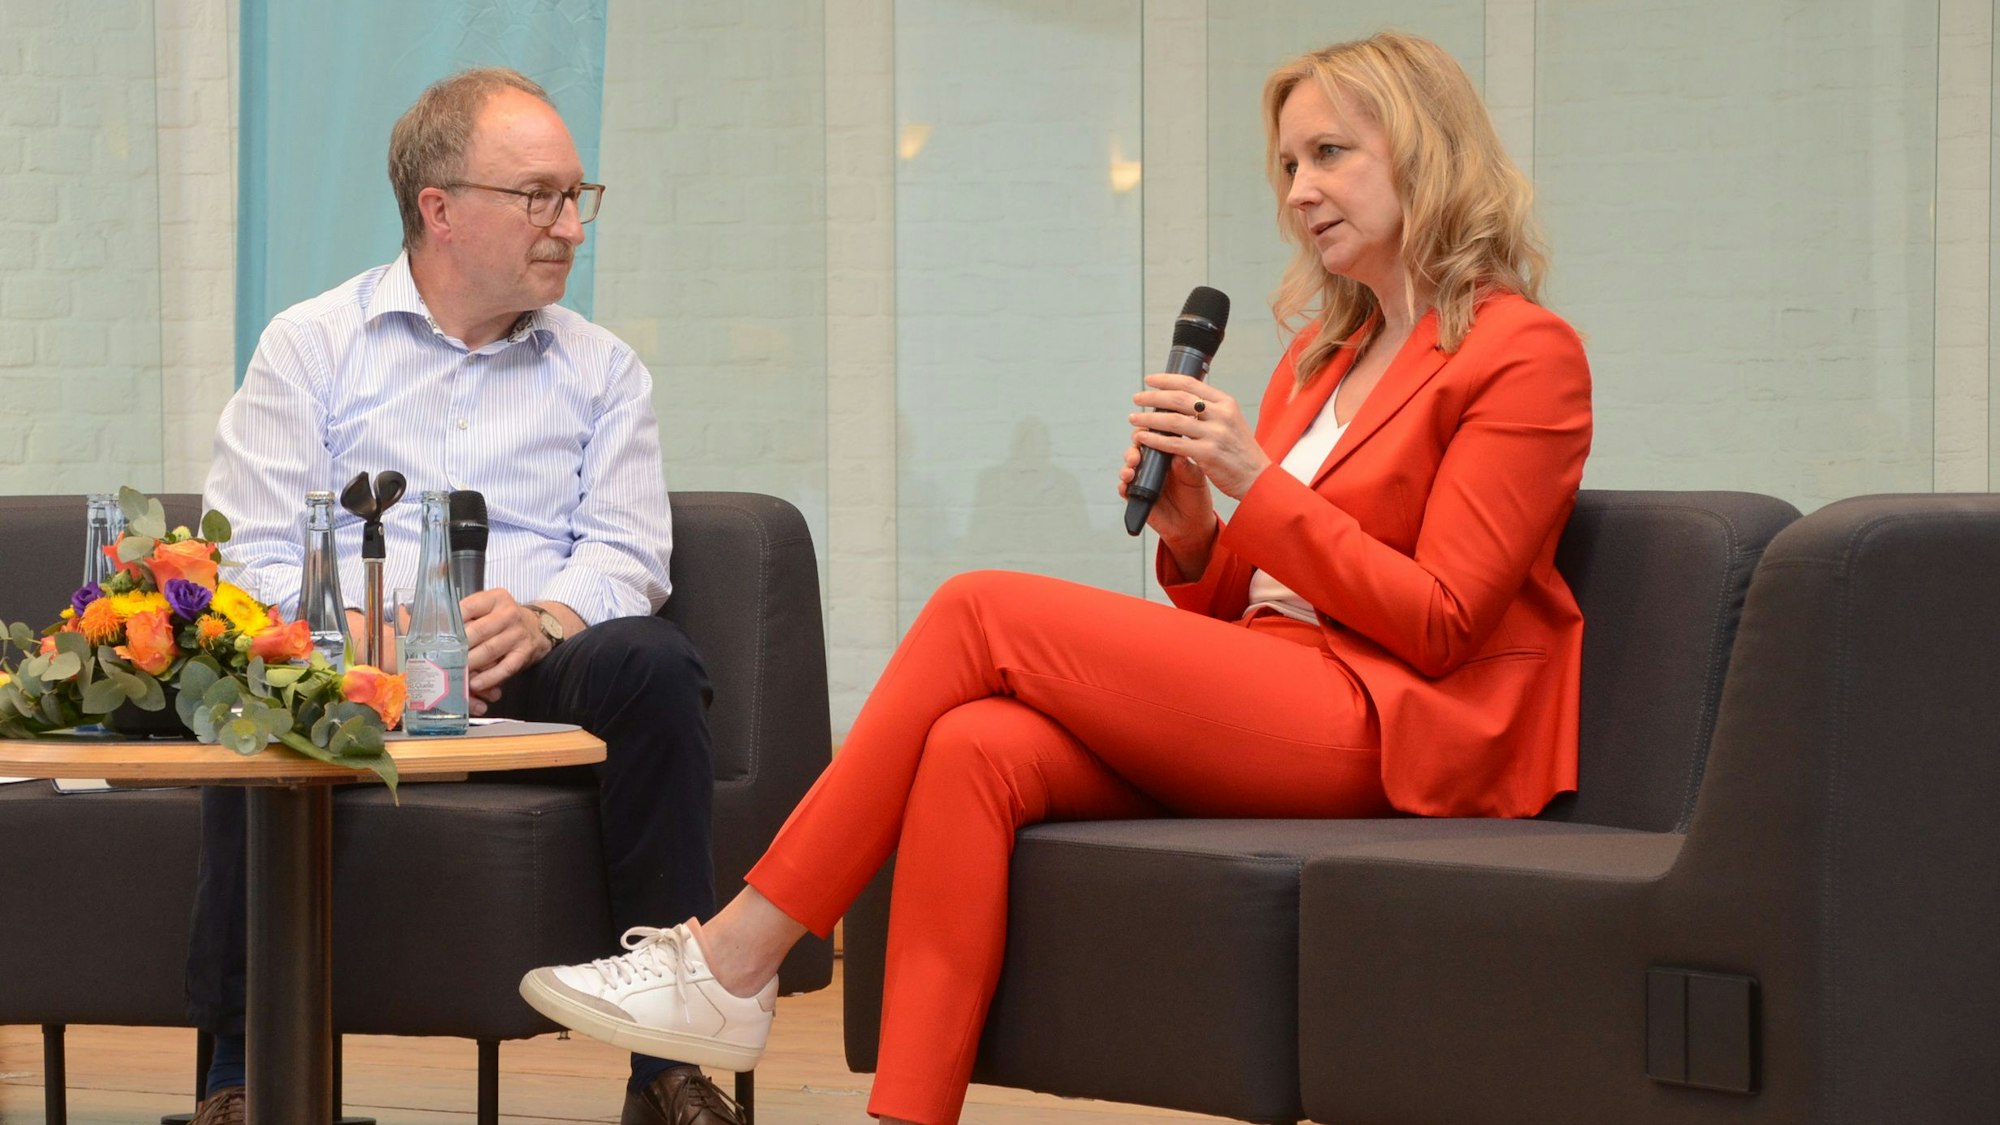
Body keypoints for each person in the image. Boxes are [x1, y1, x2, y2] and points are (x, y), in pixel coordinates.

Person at [520, 30, 1593, 1125]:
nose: (1300, 191)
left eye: (1329, 154)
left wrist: (1257, 483)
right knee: (971, 746)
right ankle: (907, 1114)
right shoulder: (1318, 355)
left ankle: (733, 958)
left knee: (979, 607)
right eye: (1285, 167)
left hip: (1395, 723)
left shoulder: (1522, 353)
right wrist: (1193, 535)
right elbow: (1260, 594)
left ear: (1421, 151)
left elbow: (1445, 621)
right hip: (1282, 686)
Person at [190, 69, 739, 1125]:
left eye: (578, 197)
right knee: (242, 692)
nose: (570, 227)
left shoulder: (602, 369)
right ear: (439, 209)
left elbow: (626, 550)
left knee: (655, 663)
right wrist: (368, 632)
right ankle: (238, 1081)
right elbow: (251, 552)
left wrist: (539, 621)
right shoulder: (312, 346)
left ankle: (666, 1071)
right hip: (344, 667)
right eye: (539, 196)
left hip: (530, 665)